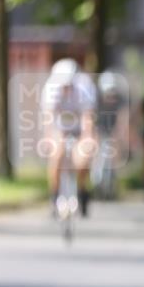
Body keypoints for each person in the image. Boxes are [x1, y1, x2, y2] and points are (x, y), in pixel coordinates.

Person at [40, 58, 98, 217]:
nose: (66, 88)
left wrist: (88, 138)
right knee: (56, 155)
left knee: (82, 160)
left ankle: (82, 190)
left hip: (79, 128)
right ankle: (54, 196)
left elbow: (88, 117)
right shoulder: (50, 89)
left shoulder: (85, 87)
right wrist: (49, 138)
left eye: (69, 85)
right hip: (59, 128)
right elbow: (48, 118)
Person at [93, 71, 127, 199]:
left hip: (112, 131)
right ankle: (96, 180)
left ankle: (112, 183)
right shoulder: (96, 101)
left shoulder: (120, 101)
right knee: (97, 154)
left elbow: (122, 119)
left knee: (113, 156)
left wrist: (119, 134)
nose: (110, 96)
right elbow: (92, 119)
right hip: (100, 130)